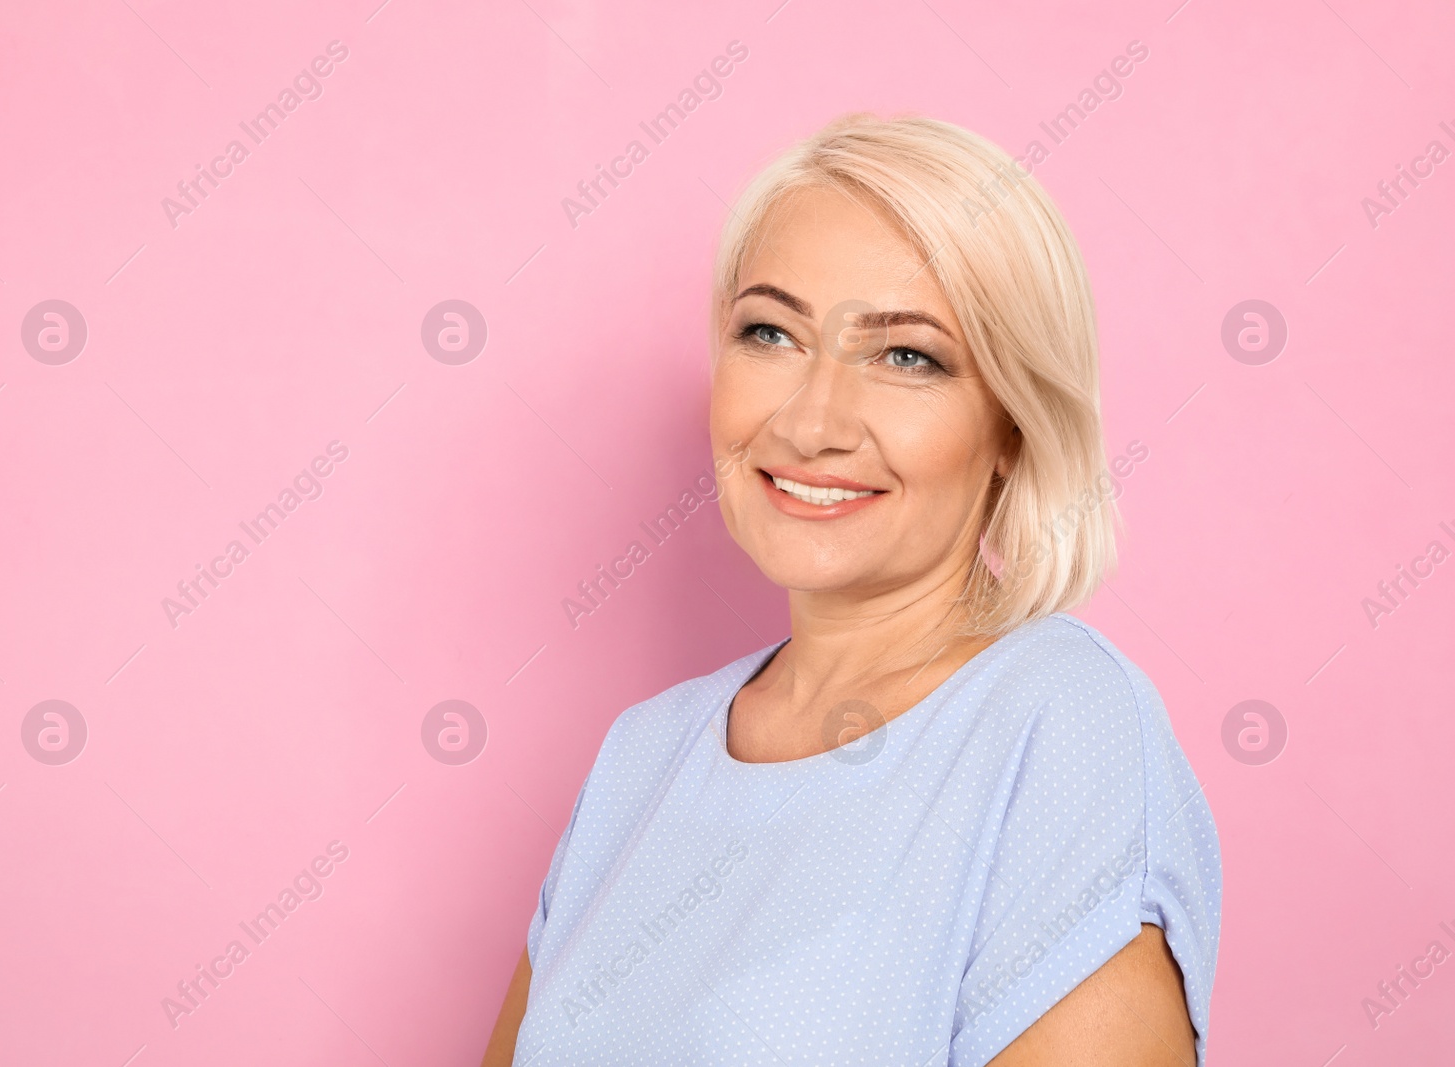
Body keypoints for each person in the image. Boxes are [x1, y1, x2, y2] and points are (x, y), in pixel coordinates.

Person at [483, 113, 1221, 1066]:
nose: (811, 420)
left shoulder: (1062, 725)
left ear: (1013, 426)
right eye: (770, 332)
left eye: (906, 355)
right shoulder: (642, 755)